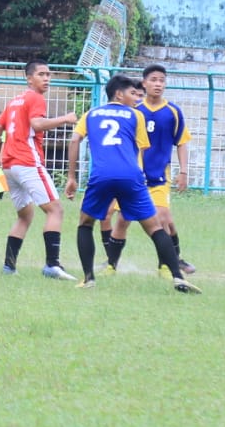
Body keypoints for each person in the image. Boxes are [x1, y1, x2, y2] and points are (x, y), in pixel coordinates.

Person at [65, 74, 198, 293]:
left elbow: (74, 140)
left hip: (102, 175)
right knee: (155, 226)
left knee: (85, 223)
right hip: (131, 176)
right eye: (132, 93)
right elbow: (142, 148)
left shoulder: (91, 114)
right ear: (119, 93)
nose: (136, 98)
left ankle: (89, 277)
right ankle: (177, 276)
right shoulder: (136, 115)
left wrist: (72, 177)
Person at [103, 64, 195, 277]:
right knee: (123, 220)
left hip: (159, 176)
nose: (158, 84)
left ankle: (166, 265)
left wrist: (183, 171)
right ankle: (111, 265)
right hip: (133, 176)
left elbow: (181, 142)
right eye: (153, 80)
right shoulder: (134, 112)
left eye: (162, 80)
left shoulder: (173, 112)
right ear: (144, 83)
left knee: (162, 217)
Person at [0, 60, 78, 279]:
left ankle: (9, 267)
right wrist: (66, 119)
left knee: (25, 215)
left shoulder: (14, 101)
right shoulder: (35, 98)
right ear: (29, 78)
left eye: (49, 74)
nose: (47, 78)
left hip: (10, 166)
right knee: (55, 210)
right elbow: (37, 125)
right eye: (41, 74)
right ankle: (52, 265)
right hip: (27, 162)